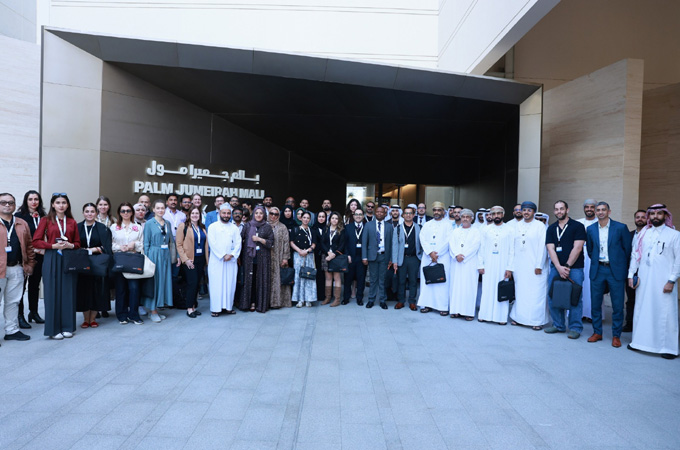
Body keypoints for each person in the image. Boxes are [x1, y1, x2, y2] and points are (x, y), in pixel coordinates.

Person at [627, 204, 680, 359]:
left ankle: (668, 348)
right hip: (644, 280)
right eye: (653, 214)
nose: (655, 216)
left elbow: (678, 260)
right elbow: (635, 255)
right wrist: (631, 275)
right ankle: (639, 343)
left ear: (665, 215)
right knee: (642, 310)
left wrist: (672, 280)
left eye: (659, 213)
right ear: (649, 216)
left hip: (664, 281)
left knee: (665, 312)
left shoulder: (674, 235)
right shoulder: (644, 233)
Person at [32, 193, 81, 340]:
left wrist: (70, 245)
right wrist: (52, 246)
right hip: (51, 257)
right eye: (58, 202)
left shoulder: (72, 222)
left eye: (64, 202)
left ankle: (67, 326)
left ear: (67, 205)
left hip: (68, 258)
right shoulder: (46, 220)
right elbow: (36, 241)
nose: (61, 205)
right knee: (51, 292)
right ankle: (53, 329)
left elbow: (78, 243)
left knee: (68, 291)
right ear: (53, 205)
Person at [585, 201, 632, 348]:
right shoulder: (591, 229)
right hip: (598, 269)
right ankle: (597, 332)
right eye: (598, 210)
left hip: (615, 270)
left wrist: (619, 265)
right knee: (595, 303)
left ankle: (616, 336)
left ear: (609, 211)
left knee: (617, 305)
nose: (600, 212)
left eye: (603, 210)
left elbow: (627, 250)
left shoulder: (620, 227)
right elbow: (590, 250)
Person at [543, 201, 587, 339]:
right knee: (553, 295)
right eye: (556, 209)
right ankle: (558, 325)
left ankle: (575, 328)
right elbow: (550, 248)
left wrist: (567, 266)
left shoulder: (577, 226)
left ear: (567, 210)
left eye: (561, 209)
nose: (559, 211)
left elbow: (577, 248)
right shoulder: (551, 228)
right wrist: (558, 267)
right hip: (556, 268)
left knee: (575, 297)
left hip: (575, 268)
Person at [0, 193, 35, 343]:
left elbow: (29, 246)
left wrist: (30, 264)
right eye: (3, 202)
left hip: (17, 268)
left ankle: (12, 330)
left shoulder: (21, 223)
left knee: (13, 301)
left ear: (15, 205)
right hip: (0, 269)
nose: (7, 205)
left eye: (11, 203)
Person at [509, 201, 549, 330]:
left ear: (534, 212)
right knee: (520, 293)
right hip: (520, 266)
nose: (526, 212)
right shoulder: (516, 226)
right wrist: (511, 266)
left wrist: (539, 265)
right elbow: (512, 248)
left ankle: (537, 321)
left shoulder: (540, 226)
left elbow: (542, 247)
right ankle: (518, 318)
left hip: (535, 266)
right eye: (524, 210)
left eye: (529, 210)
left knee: (536, 293)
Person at [77, 203, 113, 327]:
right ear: (83, 213)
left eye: (92, 211)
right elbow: (74, 245)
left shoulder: (103, 228)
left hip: (98, 262)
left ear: (96, 213)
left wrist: (95, 249)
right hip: (82, 262)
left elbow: (107, 247)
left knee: (97, 290)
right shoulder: (78, 227)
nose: (89, 214)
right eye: (87, 211)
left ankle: (93, 319)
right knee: (84, 289)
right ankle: (85, 319)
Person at [477, 206, 514, 325]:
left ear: (503, 214)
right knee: (487, 289)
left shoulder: (510, 230)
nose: (496, 216)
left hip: (503, 264)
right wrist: (480, 265)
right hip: (488, 263)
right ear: (491, 215)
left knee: (501, 288)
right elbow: (481, 248)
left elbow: (512, 250)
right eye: (494, 214)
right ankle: (484, 315)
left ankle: (501, 317)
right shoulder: (485, 230)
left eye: (499, 213)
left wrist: (509, 268)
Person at [14, 190, 46, 328]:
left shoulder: (43, 216)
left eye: (36, 199)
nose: (33, 202)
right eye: (30, 199)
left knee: (35, 285)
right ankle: (20, 315)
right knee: (21, 287)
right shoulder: (19, 216)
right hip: (25, 256)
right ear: (26, 201)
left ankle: (33, 312)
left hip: (40, 255)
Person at [110, 202, 144, 325]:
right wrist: (119, 247)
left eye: (128, 211)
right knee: (121, 289)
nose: (126, 213)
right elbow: (110, 244)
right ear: (119, 213)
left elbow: (142, 244)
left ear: (132, 213)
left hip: (133, 260)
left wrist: (134, 244)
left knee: (134, 288)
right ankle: (122, 315)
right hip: (119, 260)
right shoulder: (114, 227)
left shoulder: (138, 227)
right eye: (123, 211)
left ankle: (134, 314)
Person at [417, 202, 453, 315]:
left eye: (439, 210)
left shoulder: (448, 225)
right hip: (428, 257)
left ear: (443, 212)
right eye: (435, 210)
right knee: (427, 281)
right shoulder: (427, 224)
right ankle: (426, 304)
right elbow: (422, 238)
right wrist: (430, 252)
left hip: (442, 257)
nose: (436, 212)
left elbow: (448, 240)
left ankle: (442, 307)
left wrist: (437, 253)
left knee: (441, 282)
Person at [237, 206, 274, 313]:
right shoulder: (248, 225)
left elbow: (271, 243)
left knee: (261, 280)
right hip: (249, 258)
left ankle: (260, 304)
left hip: (263, 258)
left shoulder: (267, 227)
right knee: (250, 280)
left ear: (264, 215)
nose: (258, 215)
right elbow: (240, 239)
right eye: (256, 213)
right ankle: (250, 303)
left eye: (261, 213)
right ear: (253, 214)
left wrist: (260, 239)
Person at [143, 199, 175, 323]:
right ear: (153, 209)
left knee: (163, 281)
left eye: (162, 208)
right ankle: (152, 311)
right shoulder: (149, 223)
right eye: (158, 208)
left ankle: (157, 307)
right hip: (154, 254)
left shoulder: (167, 223)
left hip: (165, 254)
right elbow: (146, 243)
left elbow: (171, 241)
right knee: (154, 282)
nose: (160, 210)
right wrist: (147, 259)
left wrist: (175, 256)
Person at [207, 204, 241, 316]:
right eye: (224, 213)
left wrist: (232, 255)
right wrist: (222, 255)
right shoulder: (212, 227)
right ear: (220, 213)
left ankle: (228, 307)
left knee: (230, 284)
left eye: (228, 213)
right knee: (216, 285)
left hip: (230, 260)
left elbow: (238, 243)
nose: (226, 215)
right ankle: (215, 309)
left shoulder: (234, 228)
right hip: (217, 260)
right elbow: (212, 243)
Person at [448, 209, 481, 320]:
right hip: (456, 263)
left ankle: (468, 312)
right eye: (463, 217)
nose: (465, 219)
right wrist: (457, 255)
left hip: (470, 263)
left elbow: (475, 246)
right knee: (456, 286)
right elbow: (451, 244)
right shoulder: (455, 231)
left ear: (472, 219)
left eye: (468, 217)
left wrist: (464, 256)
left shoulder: (476, 232)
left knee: (469, 287)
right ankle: (455, 310)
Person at [176, 206, 208, 318]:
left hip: (201, 259)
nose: (195, 215)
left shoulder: (202, 227)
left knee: (197, 283)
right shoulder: (183, 226)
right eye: (193, 213)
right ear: (189, 215)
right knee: (192, 283)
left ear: (200, 215)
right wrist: (185, 260)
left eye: (197, 213)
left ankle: (193, 306)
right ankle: (189, 308)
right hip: (190, 259)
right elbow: (179, 245)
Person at [361, 203, 393, 310]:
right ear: (375, 213)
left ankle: (382, 300)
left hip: (384, 256)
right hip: (372, 256)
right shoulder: (368, 225)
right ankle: (371, 300)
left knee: (382, 279)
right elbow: (364, 242)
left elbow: (391, 243)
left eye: (381, 212)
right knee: (373, 279)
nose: (379, 213)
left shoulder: (389, 226)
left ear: (385, 214)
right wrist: (364, 257)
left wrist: (391, 258)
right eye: (377, 212)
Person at [391, 206, 422, 311]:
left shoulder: (419, 228)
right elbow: (394, 246)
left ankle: (412, 301)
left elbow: (423, 243)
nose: (408, 215)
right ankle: (401, 301)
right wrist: (394, 261)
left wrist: (421, 257)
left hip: (414, 258)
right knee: (401, 281)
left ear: (413, 215)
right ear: (403, 215)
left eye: (410, 213)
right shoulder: (398, 228)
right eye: (406, 213)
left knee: (413, 281)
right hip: (402, 258)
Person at [623, 209, 647, 332]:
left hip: (647, 273)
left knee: (645, 299)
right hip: (631, 273)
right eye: (638, 217)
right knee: (631, 299)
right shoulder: (629, 235)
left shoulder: (651, 235)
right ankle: (630, 323)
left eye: (643, 217)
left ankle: (643, 325)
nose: (640, 219)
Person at [290, 211, 317, 307]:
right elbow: (291, 242)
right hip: (298, 256)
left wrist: (308, 251)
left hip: (309, 255)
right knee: (299, 277)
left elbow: (314, 244)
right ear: (300, 218)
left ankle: (309, 299)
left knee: (308, 276)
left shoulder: (312, 231)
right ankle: (300, 299)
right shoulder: (295, 229)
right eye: (304, 217)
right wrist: (299, 251)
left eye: (308, 218)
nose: (306, 219)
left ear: (310, 220)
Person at [320, 211, 347, 307]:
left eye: (336, 218)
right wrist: (328, 252)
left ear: (339, 220)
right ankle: (327, 298)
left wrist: (334, 254)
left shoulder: (342, 230)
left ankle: (337, 299)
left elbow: (342, 245)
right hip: (326, 255)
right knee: (328, 277)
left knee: (337, 278)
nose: (334, 220)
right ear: (330, 219)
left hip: (337, 256)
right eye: (333, 218)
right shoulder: (325, 229)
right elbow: (322, 242)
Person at [577, 198, 598, 323]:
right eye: (587, 207)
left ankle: (591, 314)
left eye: (592, 207)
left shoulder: (600, 223)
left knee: (592, 285)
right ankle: (578, 313)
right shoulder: (578, 223)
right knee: (579, 284)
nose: (589, 209)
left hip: (593, 257)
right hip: (579, 256)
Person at [268, 207, 292, 308]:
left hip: (280, 256)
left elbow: (286, 243)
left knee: (280, 279)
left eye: (276, 214)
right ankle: (267, 302)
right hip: (267, 257)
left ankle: (279, 302)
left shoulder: (283, 227)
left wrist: (285, 258)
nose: (273, 216)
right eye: (271, 213)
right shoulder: (264, 225)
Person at [344, 208, 367, 306]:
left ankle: (359, 298)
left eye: (360, 214)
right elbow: (344, 243)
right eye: (356, 214)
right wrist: (347, 255)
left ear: (363, 216)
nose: (358, 216)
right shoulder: (347, 227)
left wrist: (366, 257)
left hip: (362, 257)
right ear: (353, 216)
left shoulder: (367, 227)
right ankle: (346, 298)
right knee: (348, 279)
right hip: (350, 257)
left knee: (361, 279)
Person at [312, 210, 327, 301]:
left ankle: (326, 295)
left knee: (326, 275)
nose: (321, 218)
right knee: (317, 275)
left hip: (326, 255)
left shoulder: (328, 228)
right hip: (316, 255)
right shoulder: (313, 228)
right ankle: (317, 295)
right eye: (319, 216)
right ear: (317, 218)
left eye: (323, 217)